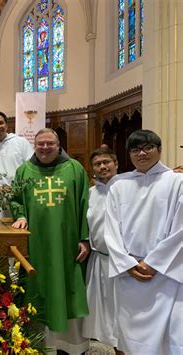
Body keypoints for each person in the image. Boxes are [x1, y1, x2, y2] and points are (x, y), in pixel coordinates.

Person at [11, 128, 90, 354]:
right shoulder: (24, 171)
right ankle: (39, 343)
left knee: (68, 288)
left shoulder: (75, 169)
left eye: (50, 144)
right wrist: (21, 216)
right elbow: (16, 200)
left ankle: (70, 345)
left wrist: (84, 238)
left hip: (67, 243)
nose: (45, 148)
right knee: (38, 287)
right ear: (34, 146)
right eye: (40, 144)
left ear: (58, 145)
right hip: (36, 243)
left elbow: (86, 205)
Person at [104, 130, 182, 355]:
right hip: (129, 274)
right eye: (135, 149)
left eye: (148, 147)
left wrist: (155, 263)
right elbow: (111, 229)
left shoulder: (177, 181)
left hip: (166, 274)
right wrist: (127, 263)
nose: (142, 153)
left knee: (169, 339)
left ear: (159, 149)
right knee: (130, 342)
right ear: (129, 154)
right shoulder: (119, 185)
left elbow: (181, 228)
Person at [82, 147, 122, 353]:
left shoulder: (127, 188)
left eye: (107, 162)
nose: (103, 166)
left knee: (121, 309)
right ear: (93, 169)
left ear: (116, 164)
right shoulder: (90, 193)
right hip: (98, 259)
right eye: (97, 164)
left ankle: (121, 347)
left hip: (122, 262)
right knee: (101, 310)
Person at [0, 111, 34, 188]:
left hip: (19, 189)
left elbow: (31, 165)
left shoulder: (21, 142)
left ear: (6, 125)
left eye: (1, 123)